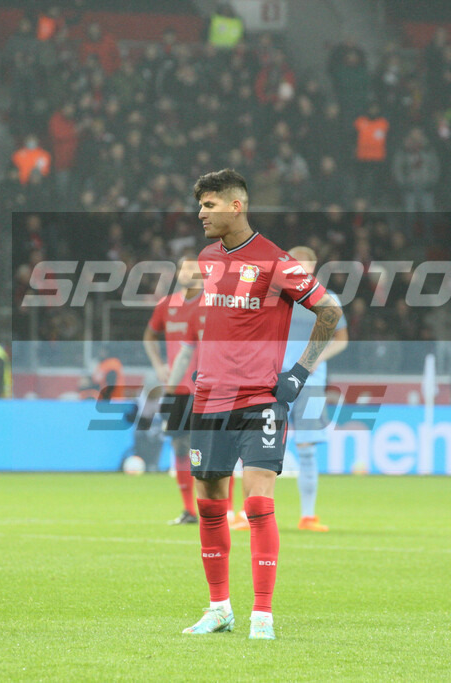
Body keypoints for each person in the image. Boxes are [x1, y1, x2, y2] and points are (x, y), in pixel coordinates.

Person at [180, 169, 343, 641]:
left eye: (209, 205)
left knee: (257, 501)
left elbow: (329, 310)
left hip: (259, 400)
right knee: (210, 503)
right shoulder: (208, 258)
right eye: (200, 205)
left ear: (236, 206)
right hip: (210, 397)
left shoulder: (277, 262)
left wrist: (300, 371)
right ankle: (219, 610)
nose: (201, 213)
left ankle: (263, 617)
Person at [278, 246, 348, 532]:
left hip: (312, 383)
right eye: (295, 264)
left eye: (305, 264)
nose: (300, 269)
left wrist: (319, 357)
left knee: (306, 449)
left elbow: (341, 340)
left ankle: (308, 516)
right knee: (259, 445)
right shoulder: (275, 297)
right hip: (275, 378)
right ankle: (250, 513)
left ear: (314, 266)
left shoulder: (328, 299)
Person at [144, 253, 205, 525]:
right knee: (180, 446)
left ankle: (222, 510)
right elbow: (149, 336)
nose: (186, 273)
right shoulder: (166, 305)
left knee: (213, 448)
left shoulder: (213, 305)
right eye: (182, 268)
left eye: (192, 269)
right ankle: (188, 510)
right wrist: (158, 365)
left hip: (208, 388)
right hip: (177, 388)